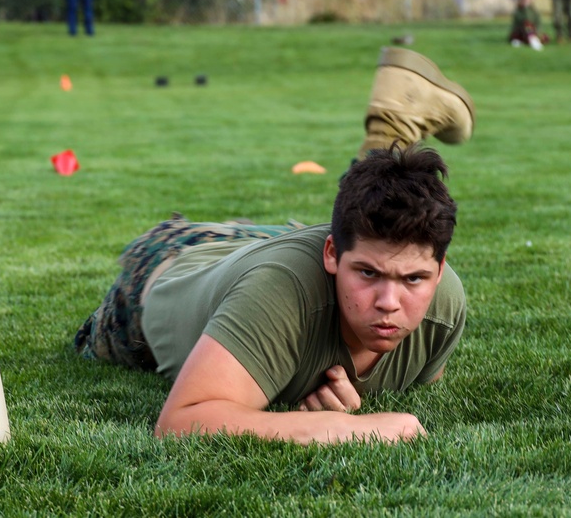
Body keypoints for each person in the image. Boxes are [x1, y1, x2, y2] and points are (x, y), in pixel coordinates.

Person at [74, 47, 475, 445]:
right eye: (368, 274)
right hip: (174, 259)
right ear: (331, 256)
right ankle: (389, 126)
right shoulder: (279, 293)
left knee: (367, 223)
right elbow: (180, 422)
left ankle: (391, 123)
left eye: (414, 279)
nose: (389, 301)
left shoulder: (444, 304)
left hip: (275, 243)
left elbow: (420, 364)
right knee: (91, 342)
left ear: (439, 273)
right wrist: (346, 427)